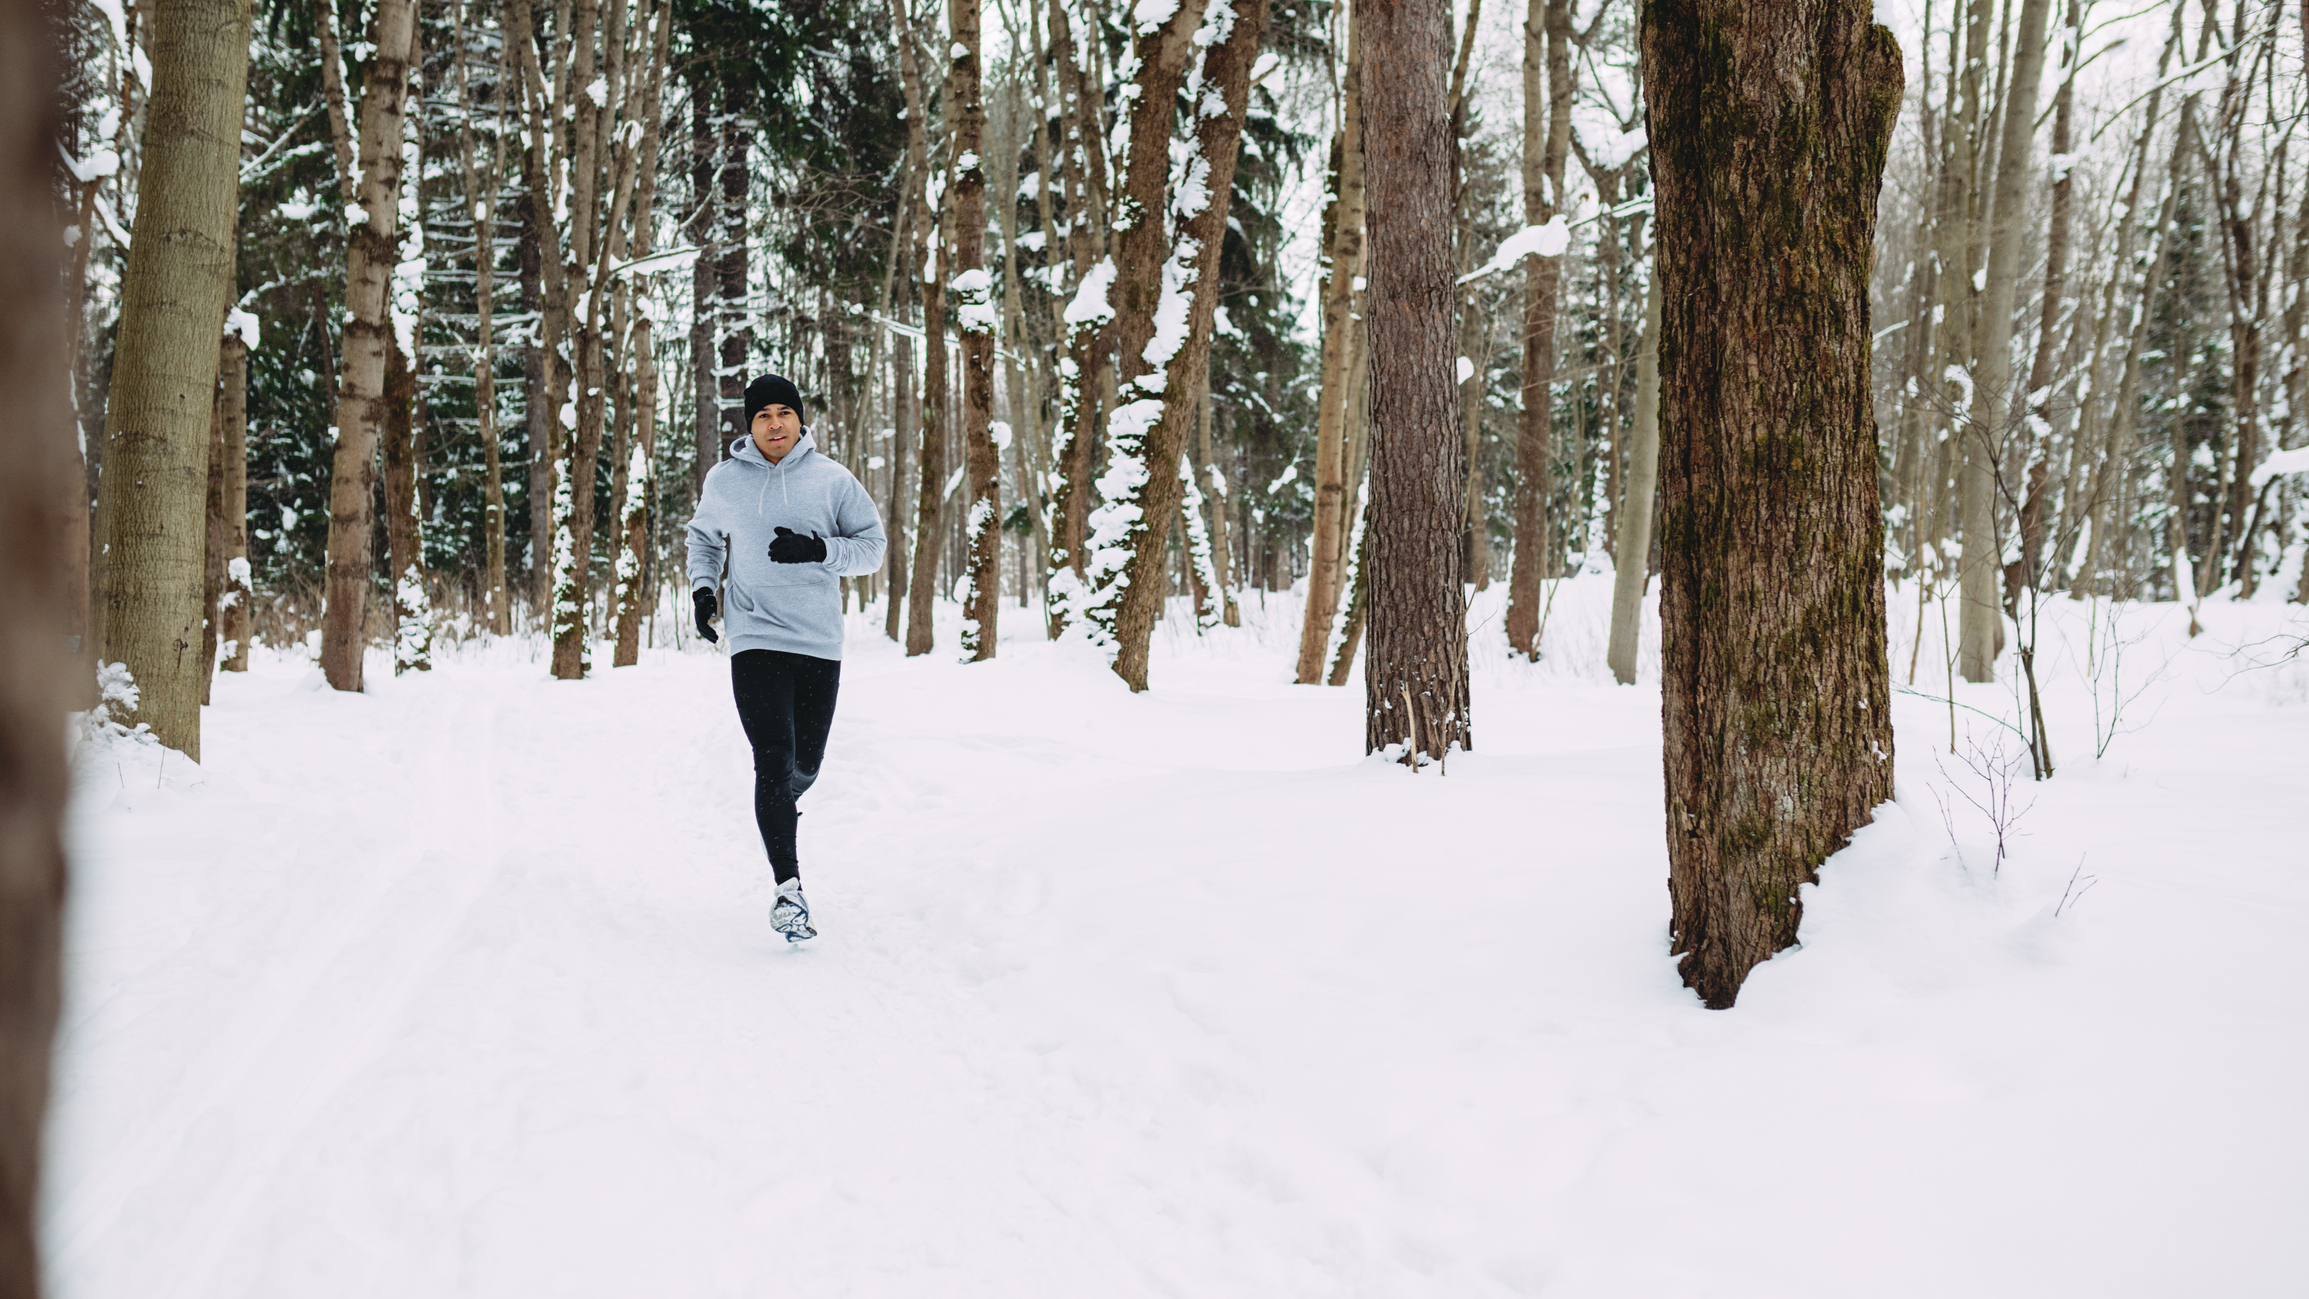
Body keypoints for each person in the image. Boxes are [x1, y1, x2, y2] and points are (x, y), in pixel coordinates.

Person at [686, 375, 886, 941]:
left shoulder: (832, 481)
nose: (775, 424)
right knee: (772, 757)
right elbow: (703, 539)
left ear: (800, 420)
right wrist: (705, 591)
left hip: (819, 641)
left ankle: (779, 806)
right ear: (748, 425)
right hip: (753, 637)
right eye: (762, 416)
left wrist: (819, 550)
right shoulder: (724, 481)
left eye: (784, 413)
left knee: (804, 766)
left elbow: (872, 549)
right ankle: (788, 890)